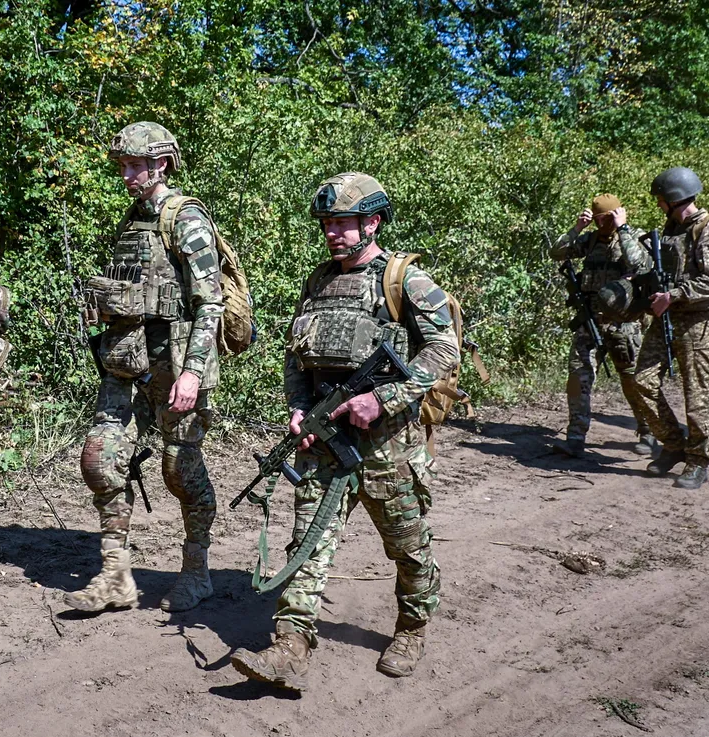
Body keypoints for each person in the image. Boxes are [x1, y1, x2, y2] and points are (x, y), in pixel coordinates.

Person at [229, 173, 458, 691]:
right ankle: (290, 645)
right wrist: (297, 407)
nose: (334, 233)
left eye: (344, 223)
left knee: (408, 546)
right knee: (306, 543)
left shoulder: (404, 282)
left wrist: (382, 398)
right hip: (325, 441)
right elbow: (296, 357)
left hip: (388, 448)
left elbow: (444, 352)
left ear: (372, 222)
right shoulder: (318, 281)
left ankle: (413, 627)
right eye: (328, 224)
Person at [66, 122, 225, 614]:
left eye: (135, 166)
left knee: (180, 468)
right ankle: (116, 576)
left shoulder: (186, 218)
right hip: (125, 360)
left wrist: (193, 372)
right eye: (123, 166)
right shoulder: (131, 220)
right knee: (98, 459)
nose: (126, 175)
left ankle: (197, 573)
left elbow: (211, 303)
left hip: (174, 362)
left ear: (161, 164)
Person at [629, 167, 709, 490]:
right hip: (665, 317)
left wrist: (674, 296)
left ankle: (698, 460)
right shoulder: (671, 230)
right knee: (641, 380)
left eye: (660, 200)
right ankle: (673, 443)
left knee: (697, 395)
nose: (658, 205)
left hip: (697, 323)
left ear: (673, 198)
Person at [547, 193, 659, 458]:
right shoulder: (591, 239)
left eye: (607, 218)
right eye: (599, 219)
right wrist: (577, 228)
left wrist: (623, 228)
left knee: (633, 379)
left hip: (625, 323)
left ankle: (648, 431)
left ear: (618, 214)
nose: (603, 224)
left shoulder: (633, 237)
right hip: (590, 321)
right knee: (578, 376)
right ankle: (575, 437)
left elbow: (641, 265)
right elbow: (557, 252)